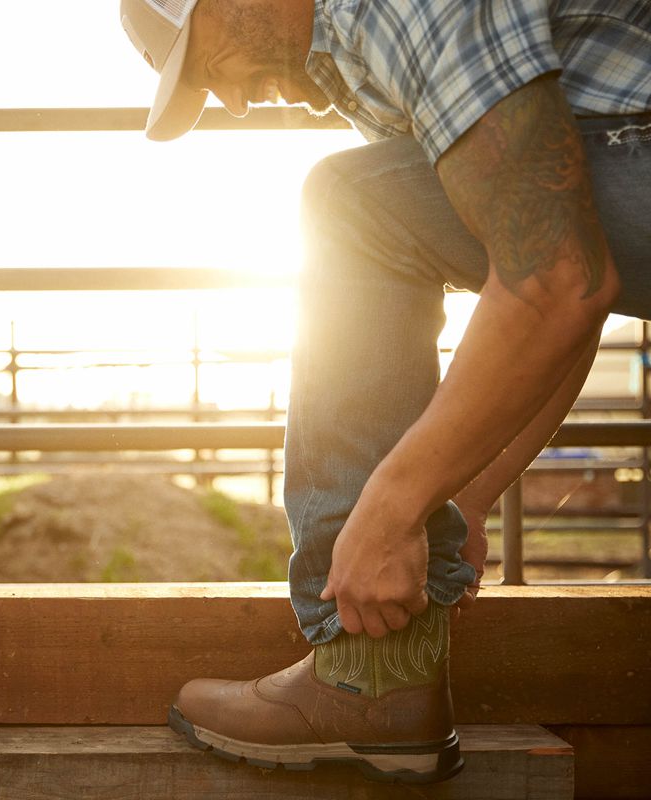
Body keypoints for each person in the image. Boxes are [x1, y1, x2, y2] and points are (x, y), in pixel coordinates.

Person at [120, 0, 651, 783]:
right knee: (362, 198)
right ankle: (375, 675)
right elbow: (560, 290)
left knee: (351, 204)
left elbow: (555, 282)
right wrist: (459, 494)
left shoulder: (405, 8)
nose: (232, 103)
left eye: (208, 67)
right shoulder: (362, 65)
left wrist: (391, 509)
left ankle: (365, 674)